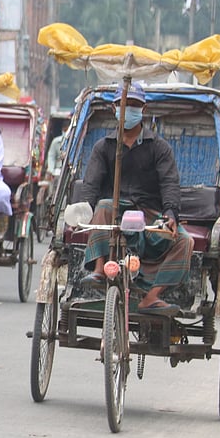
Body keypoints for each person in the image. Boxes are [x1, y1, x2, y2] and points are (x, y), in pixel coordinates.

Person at [75, 82, 192, 313]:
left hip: (148, 213)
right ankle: (99, 268)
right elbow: (91, 183)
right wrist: (85, 209)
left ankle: (152, 297)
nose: (128, 110)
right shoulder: (103, 147)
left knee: (184, 241)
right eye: (124, 105)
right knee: (104, 205)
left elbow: (169, 182)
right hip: (114, 211)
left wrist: (170, 213)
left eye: (134, 105)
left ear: (143, 110)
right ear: (114, 109)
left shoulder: (159, 148)